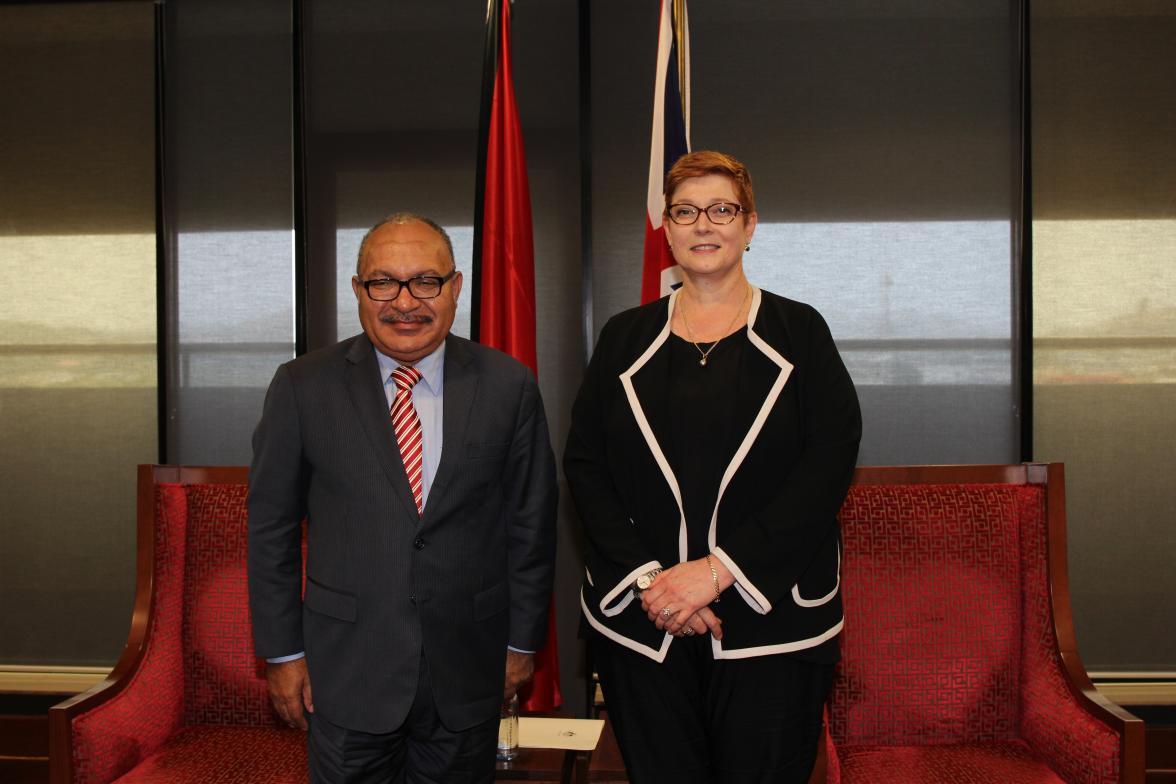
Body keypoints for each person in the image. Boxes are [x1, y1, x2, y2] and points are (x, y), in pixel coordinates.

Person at [565, 151, 861, 783]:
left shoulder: (801, 331)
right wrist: (654, 583)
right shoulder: (622, 336)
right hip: (645, 626)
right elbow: (586, 466)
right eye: (685, 212)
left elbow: (827, 465)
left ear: (750, 225)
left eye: (721, 210)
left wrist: (716, 572)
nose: (704, 225)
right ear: (667, 229)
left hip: (772, 622)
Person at [248, 213, 558, 783]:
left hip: (469, 668)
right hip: (344, 673)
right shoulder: (302, 387)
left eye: (426, 281)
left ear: (456, 287)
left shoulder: (508, 386)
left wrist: (521, 644)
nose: (404, 302)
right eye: (383, 282)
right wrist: (283, 655)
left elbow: (531, 526)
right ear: (358, 291)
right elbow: (271, 530)